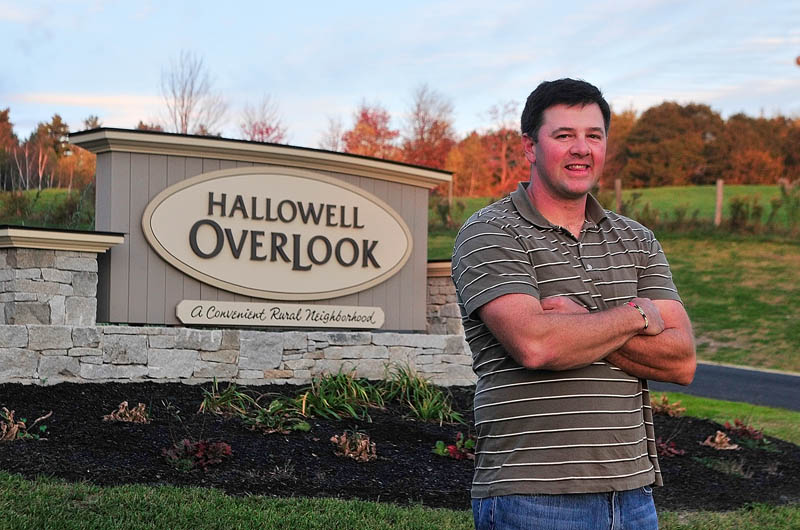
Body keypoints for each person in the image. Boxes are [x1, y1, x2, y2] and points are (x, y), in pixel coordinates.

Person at [452, 78, 696, 530]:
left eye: (593, 135)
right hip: (532, 495)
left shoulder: (636, 239)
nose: (581, 149)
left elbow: (681, 361)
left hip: (633, 496)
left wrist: (584, 325)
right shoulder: (490, 233)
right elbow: (536, 345)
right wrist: (639, 316)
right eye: (564, 135)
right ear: (530, 146)